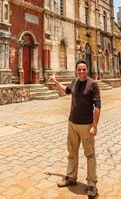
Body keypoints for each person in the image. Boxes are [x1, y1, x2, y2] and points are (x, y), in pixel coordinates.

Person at [50, 59, 101, 198]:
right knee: (72, 152)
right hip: (72, 123)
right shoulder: (74, 82)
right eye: (79, 69)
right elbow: (66, 90)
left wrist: (94, 126)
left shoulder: (93, 84)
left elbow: (97, 107)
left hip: (86, 125)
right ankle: (71, 177)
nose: (82, 71)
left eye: (84, 69)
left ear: (87, 69)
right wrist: (55, 82)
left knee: (90, 155)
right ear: (76, 70)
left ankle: (91, 184)